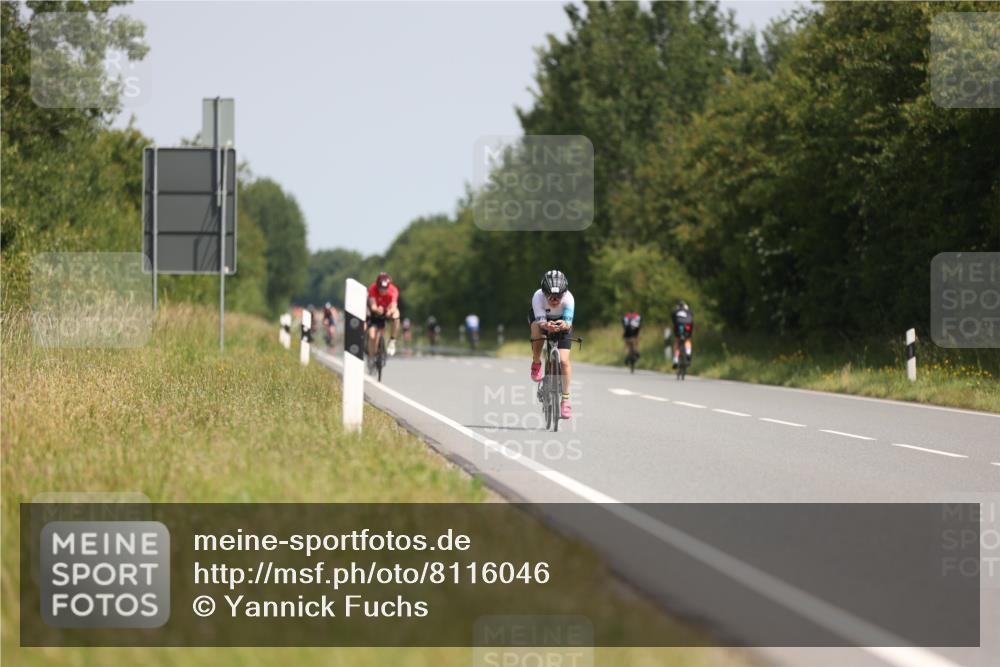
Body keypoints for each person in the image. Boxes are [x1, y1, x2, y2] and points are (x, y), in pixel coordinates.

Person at [529, 269, 575, 419]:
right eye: (551, 296)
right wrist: (546, 325)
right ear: (544, 293)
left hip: (562, 321)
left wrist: (565, 324)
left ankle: (565, 400)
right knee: (537, 329)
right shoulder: (537, 297)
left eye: (558, 296)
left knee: (564, 361)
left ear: (564, 293)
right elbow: (541, 321)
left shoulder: (569, 299)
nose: (555, 300)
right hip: (542, 319)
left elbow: (568, 323)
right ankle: (536, 362)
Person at [367, 272, 401, 360]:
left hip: (387, 310)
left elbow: (394, 305)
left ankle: (392, 340)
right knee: (372, 336)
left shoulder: (393, 290)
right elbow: (372, 305)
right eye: (380, 289)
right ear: (377, 286)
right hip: (376, 312)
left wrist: (390, 311)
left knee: (396, 315)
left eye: (385, 289)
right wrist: (377, 310)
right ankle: (371, 357)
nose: (382, 291)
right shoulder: (372, 288)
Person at [670, 300, 694, 368]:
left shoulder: (675, 311)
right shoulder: (689, 311)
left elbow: (673, 321)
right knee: (687, 340)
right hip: (688, 326)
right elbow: (692, 320)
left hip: (679, 326)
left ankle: (676, 360)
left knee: (677, 341)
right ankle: (688, 354)